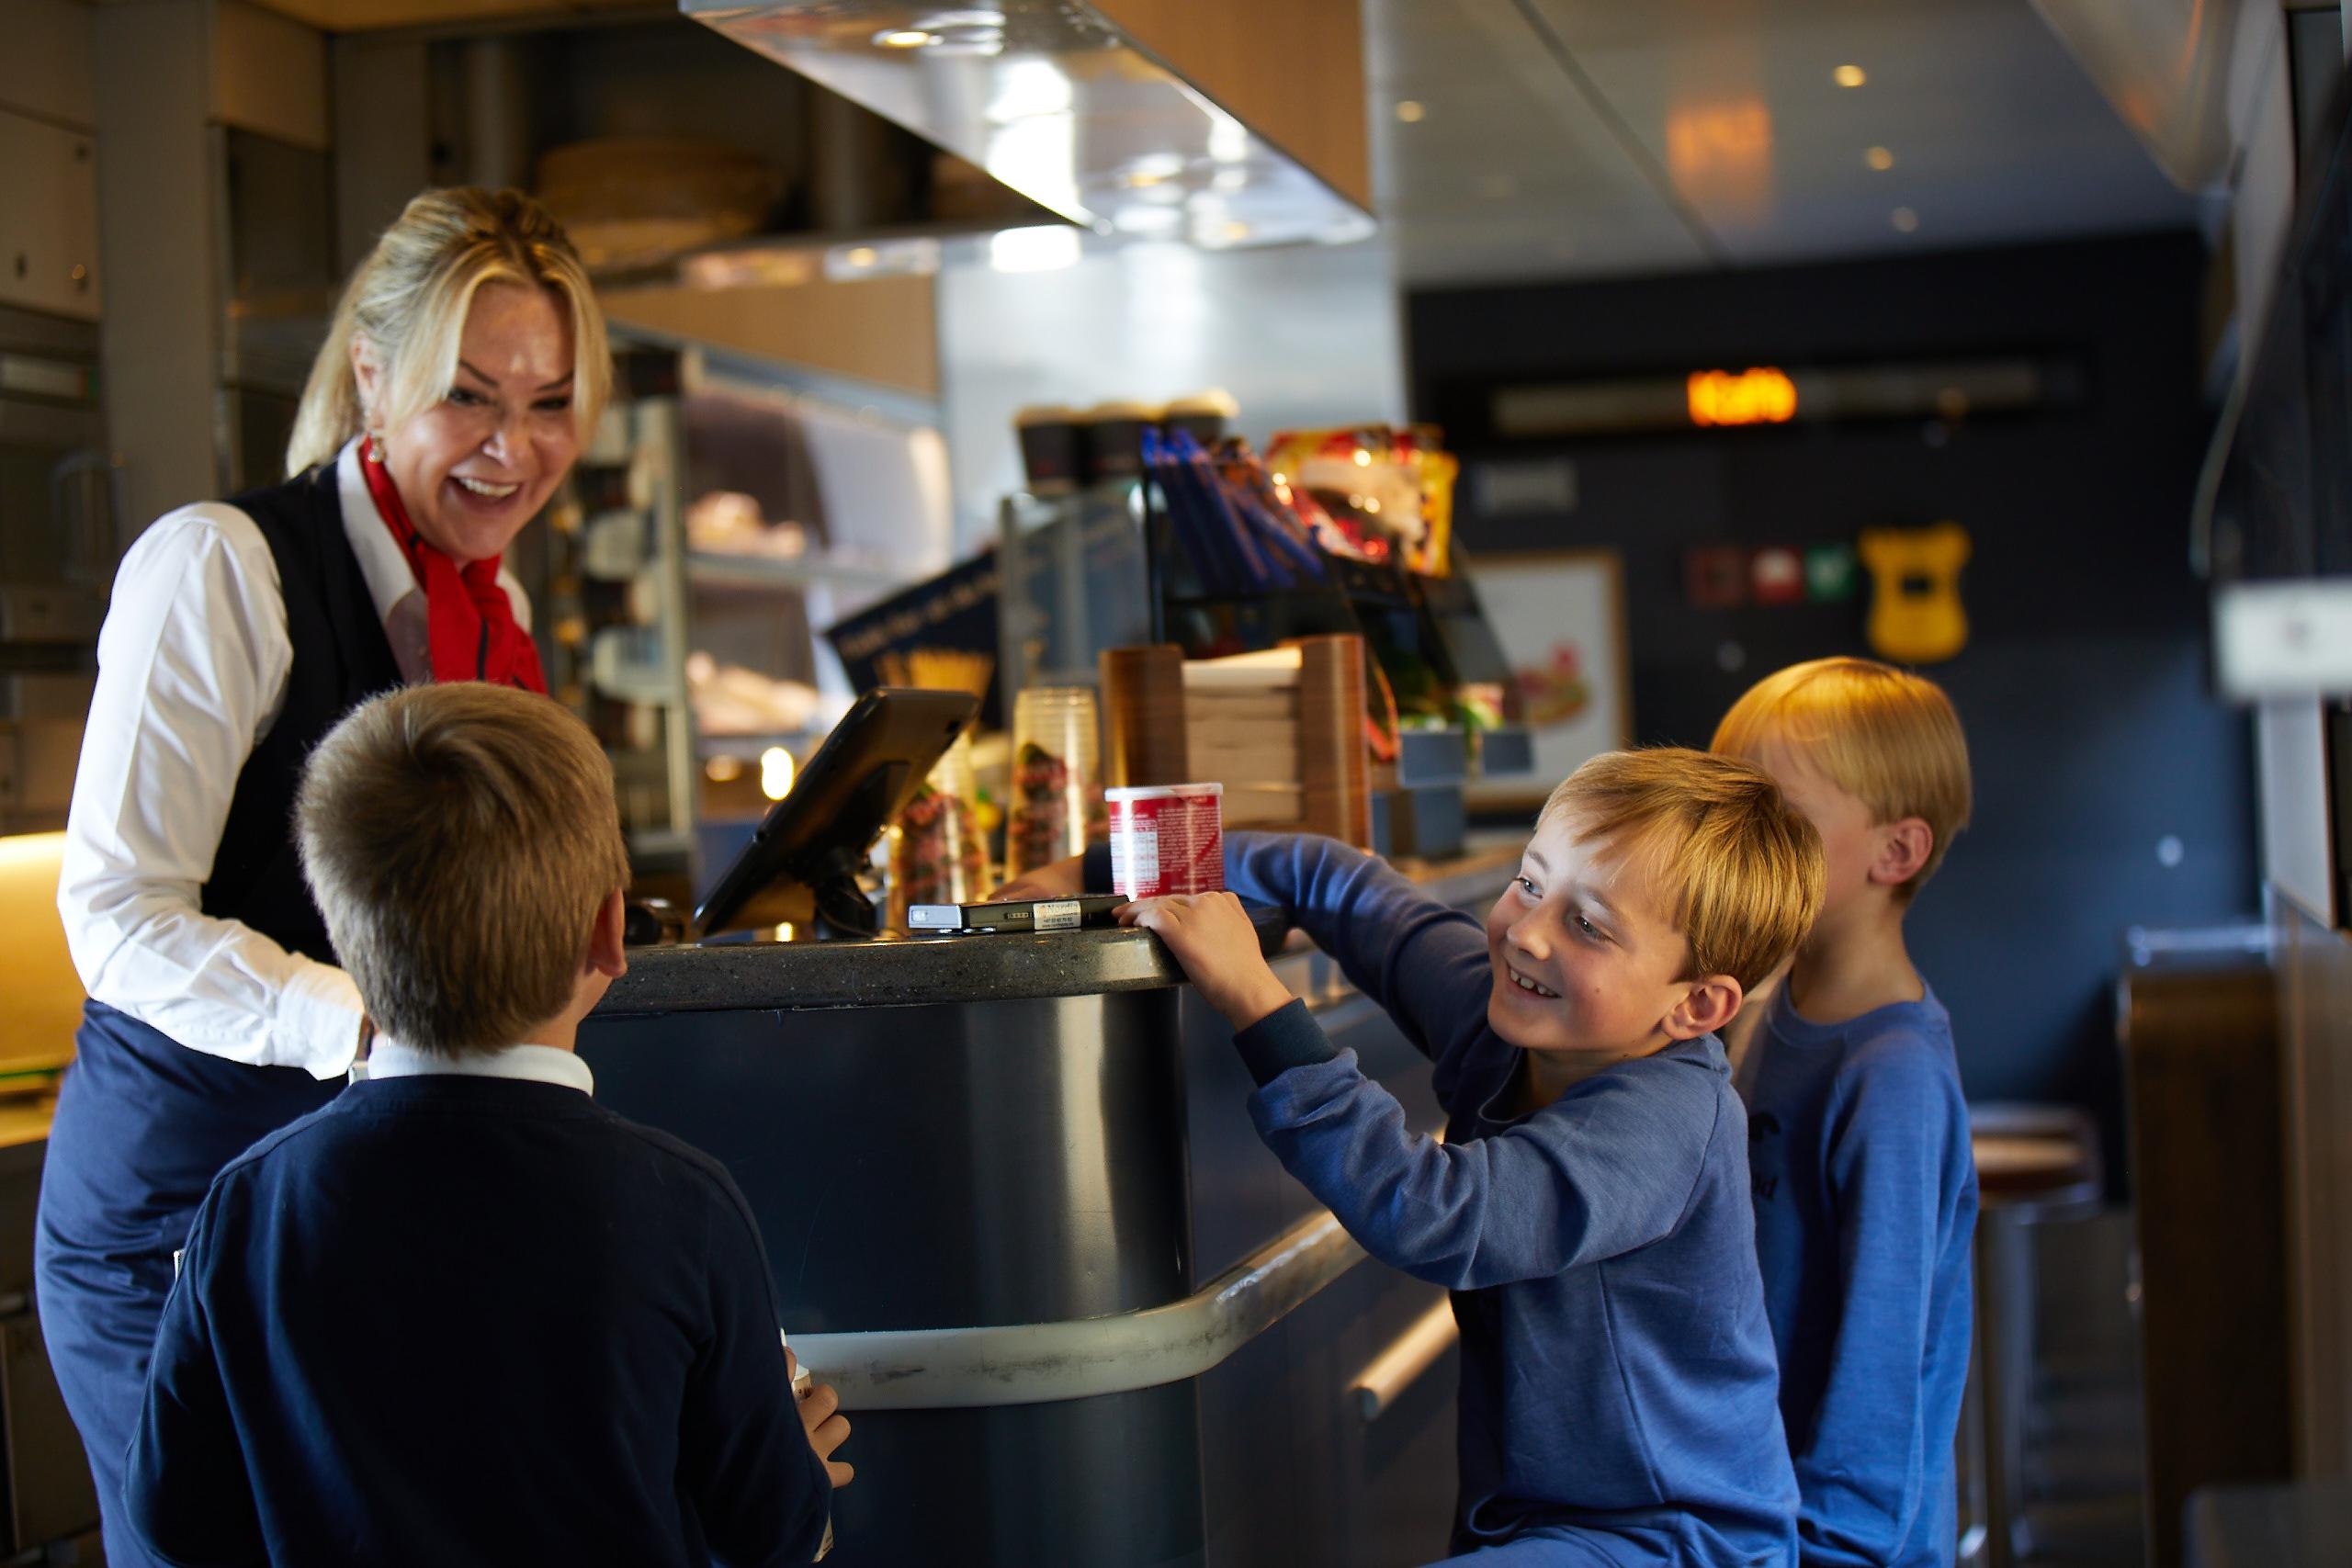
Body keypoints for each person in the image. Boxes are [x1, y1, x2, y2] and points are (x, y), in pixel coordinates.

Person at [38, 186, 610, 1563]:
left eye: (549, 403)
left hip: (356, 1204)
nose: (513, 447)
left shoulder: (497, 612)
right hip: (178, 1217)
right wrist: (366, 1019)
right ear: (372, 374)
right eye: (469, 397)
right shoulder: (223, 568)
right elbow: (112, 911)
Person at [1008, 749, 1823, 1566]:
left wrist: (1255, 996)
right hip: (1531, 1522)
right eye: (1532, 883)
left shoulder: (1669, 1117)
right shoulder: (1506, 1009)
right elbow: (1344, 885)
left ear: (1698, 1005)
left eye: (1588, 924)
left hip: (1675, 1537)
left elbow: (1443, 1214)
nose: (1527, 934)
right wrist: (1093, 865)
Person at [118, 683, 849, 1566]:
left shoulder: (248, 1205)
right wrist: (795, 1467)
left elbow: (171, 1522)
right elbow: (776, 1537)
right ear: (610, 932)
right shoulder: (685, 1207)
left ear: (346, 941)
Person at [1712, 657, 1978, 1568]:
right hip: (1762, 1519)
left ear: (1893, 854)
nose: (1731, 841)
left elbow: (1880, 1372)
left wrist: (1827, 1550)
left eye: (1772, 816)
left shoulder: (1890, 1077)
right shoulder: (1774, 1006)